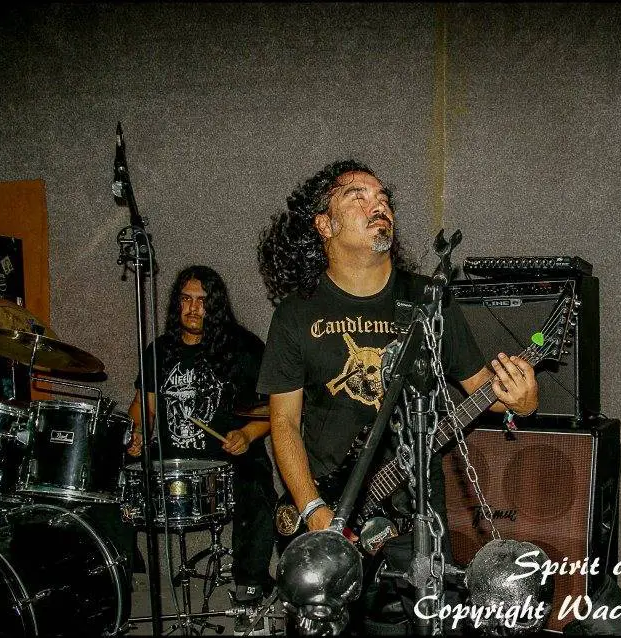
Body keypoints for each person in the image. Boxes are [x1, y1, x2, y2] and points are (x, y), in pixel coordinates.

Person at [256, 160, 539, 632]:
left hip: (417, 512)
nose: (378, 204)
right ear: (324, 225)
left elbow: (483, 392)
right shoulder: (296, 314)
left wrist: (521, 402)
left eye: (382, 197)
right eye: (357, 197)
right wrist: (313, 509)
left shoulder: (428, 300)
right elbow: (283, 423)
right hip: (333, 502)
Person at [126, 265, 276, 608]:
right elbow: (143, 407)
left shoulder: (244, 348)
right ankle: (130, 573)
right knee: (112, 474)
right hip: (173, 460)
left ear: (216, 305)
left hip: (227, 460)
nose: (193, 309)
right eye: (186, 300)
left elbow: (274, 411)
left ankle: (250, 585)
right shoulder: (160, 350)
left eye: (202, 301)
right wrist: (136, 433)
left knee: (257, 483)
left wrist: (246, 434)